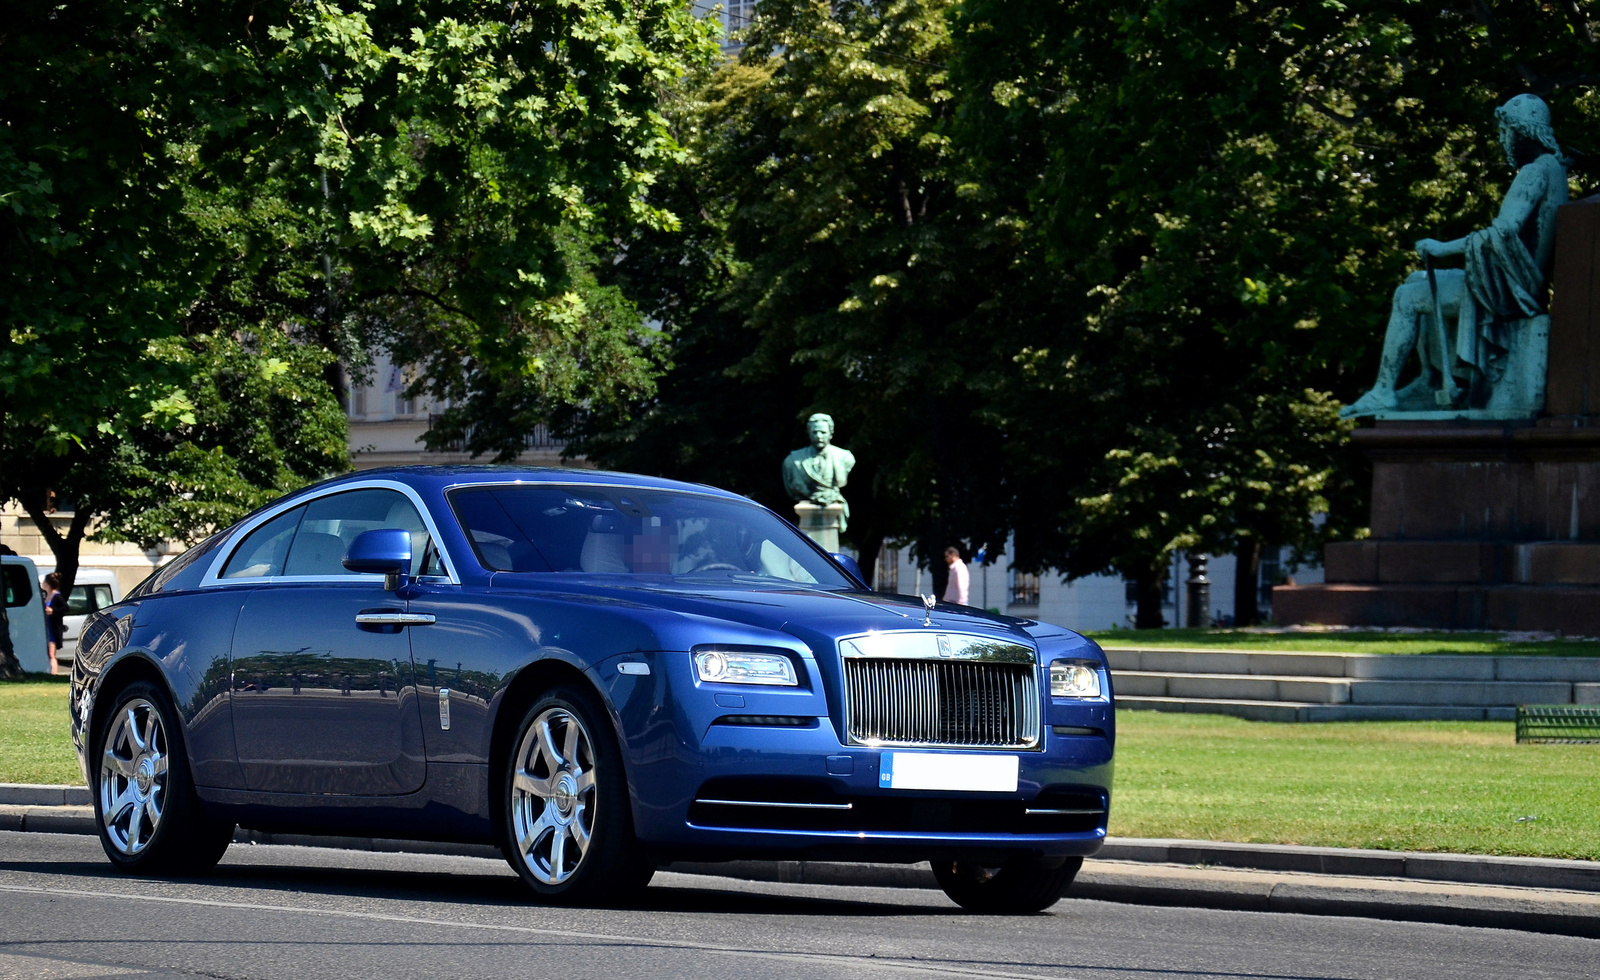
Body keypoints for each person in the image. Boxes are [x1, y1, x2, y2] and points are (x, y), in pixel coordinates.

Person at [1341, 93, 1569, 417]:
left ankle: (1382, 392)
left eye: (1506, 133)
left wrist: (1442, 248)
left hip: (1508, 289)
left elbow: (1501, 232)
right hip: (1515, 281)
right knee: (1416, 279)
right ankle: (1430, 379)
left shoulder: (1534, 173)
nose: (1503, 140)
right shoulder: (1554, 169)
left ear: (1523, 132)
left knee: (1407, 297)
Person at [781, 413, 857, 532]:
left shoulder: (845, 457)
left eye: (823, 432)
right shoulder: (792, 461)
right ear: (809, 433)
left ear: (831, 433)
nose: (819, 436)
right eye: (815, 432)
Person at [42, 572, 67, 675]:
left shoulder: (57, 596)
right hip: (46, 628)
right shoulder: (46, 596)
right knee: (47, 653)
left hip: (53, 629)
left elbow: (65, 608)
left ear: (47, 584)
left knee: (52, 654)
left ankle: (54, 674)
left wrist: (53, 611)